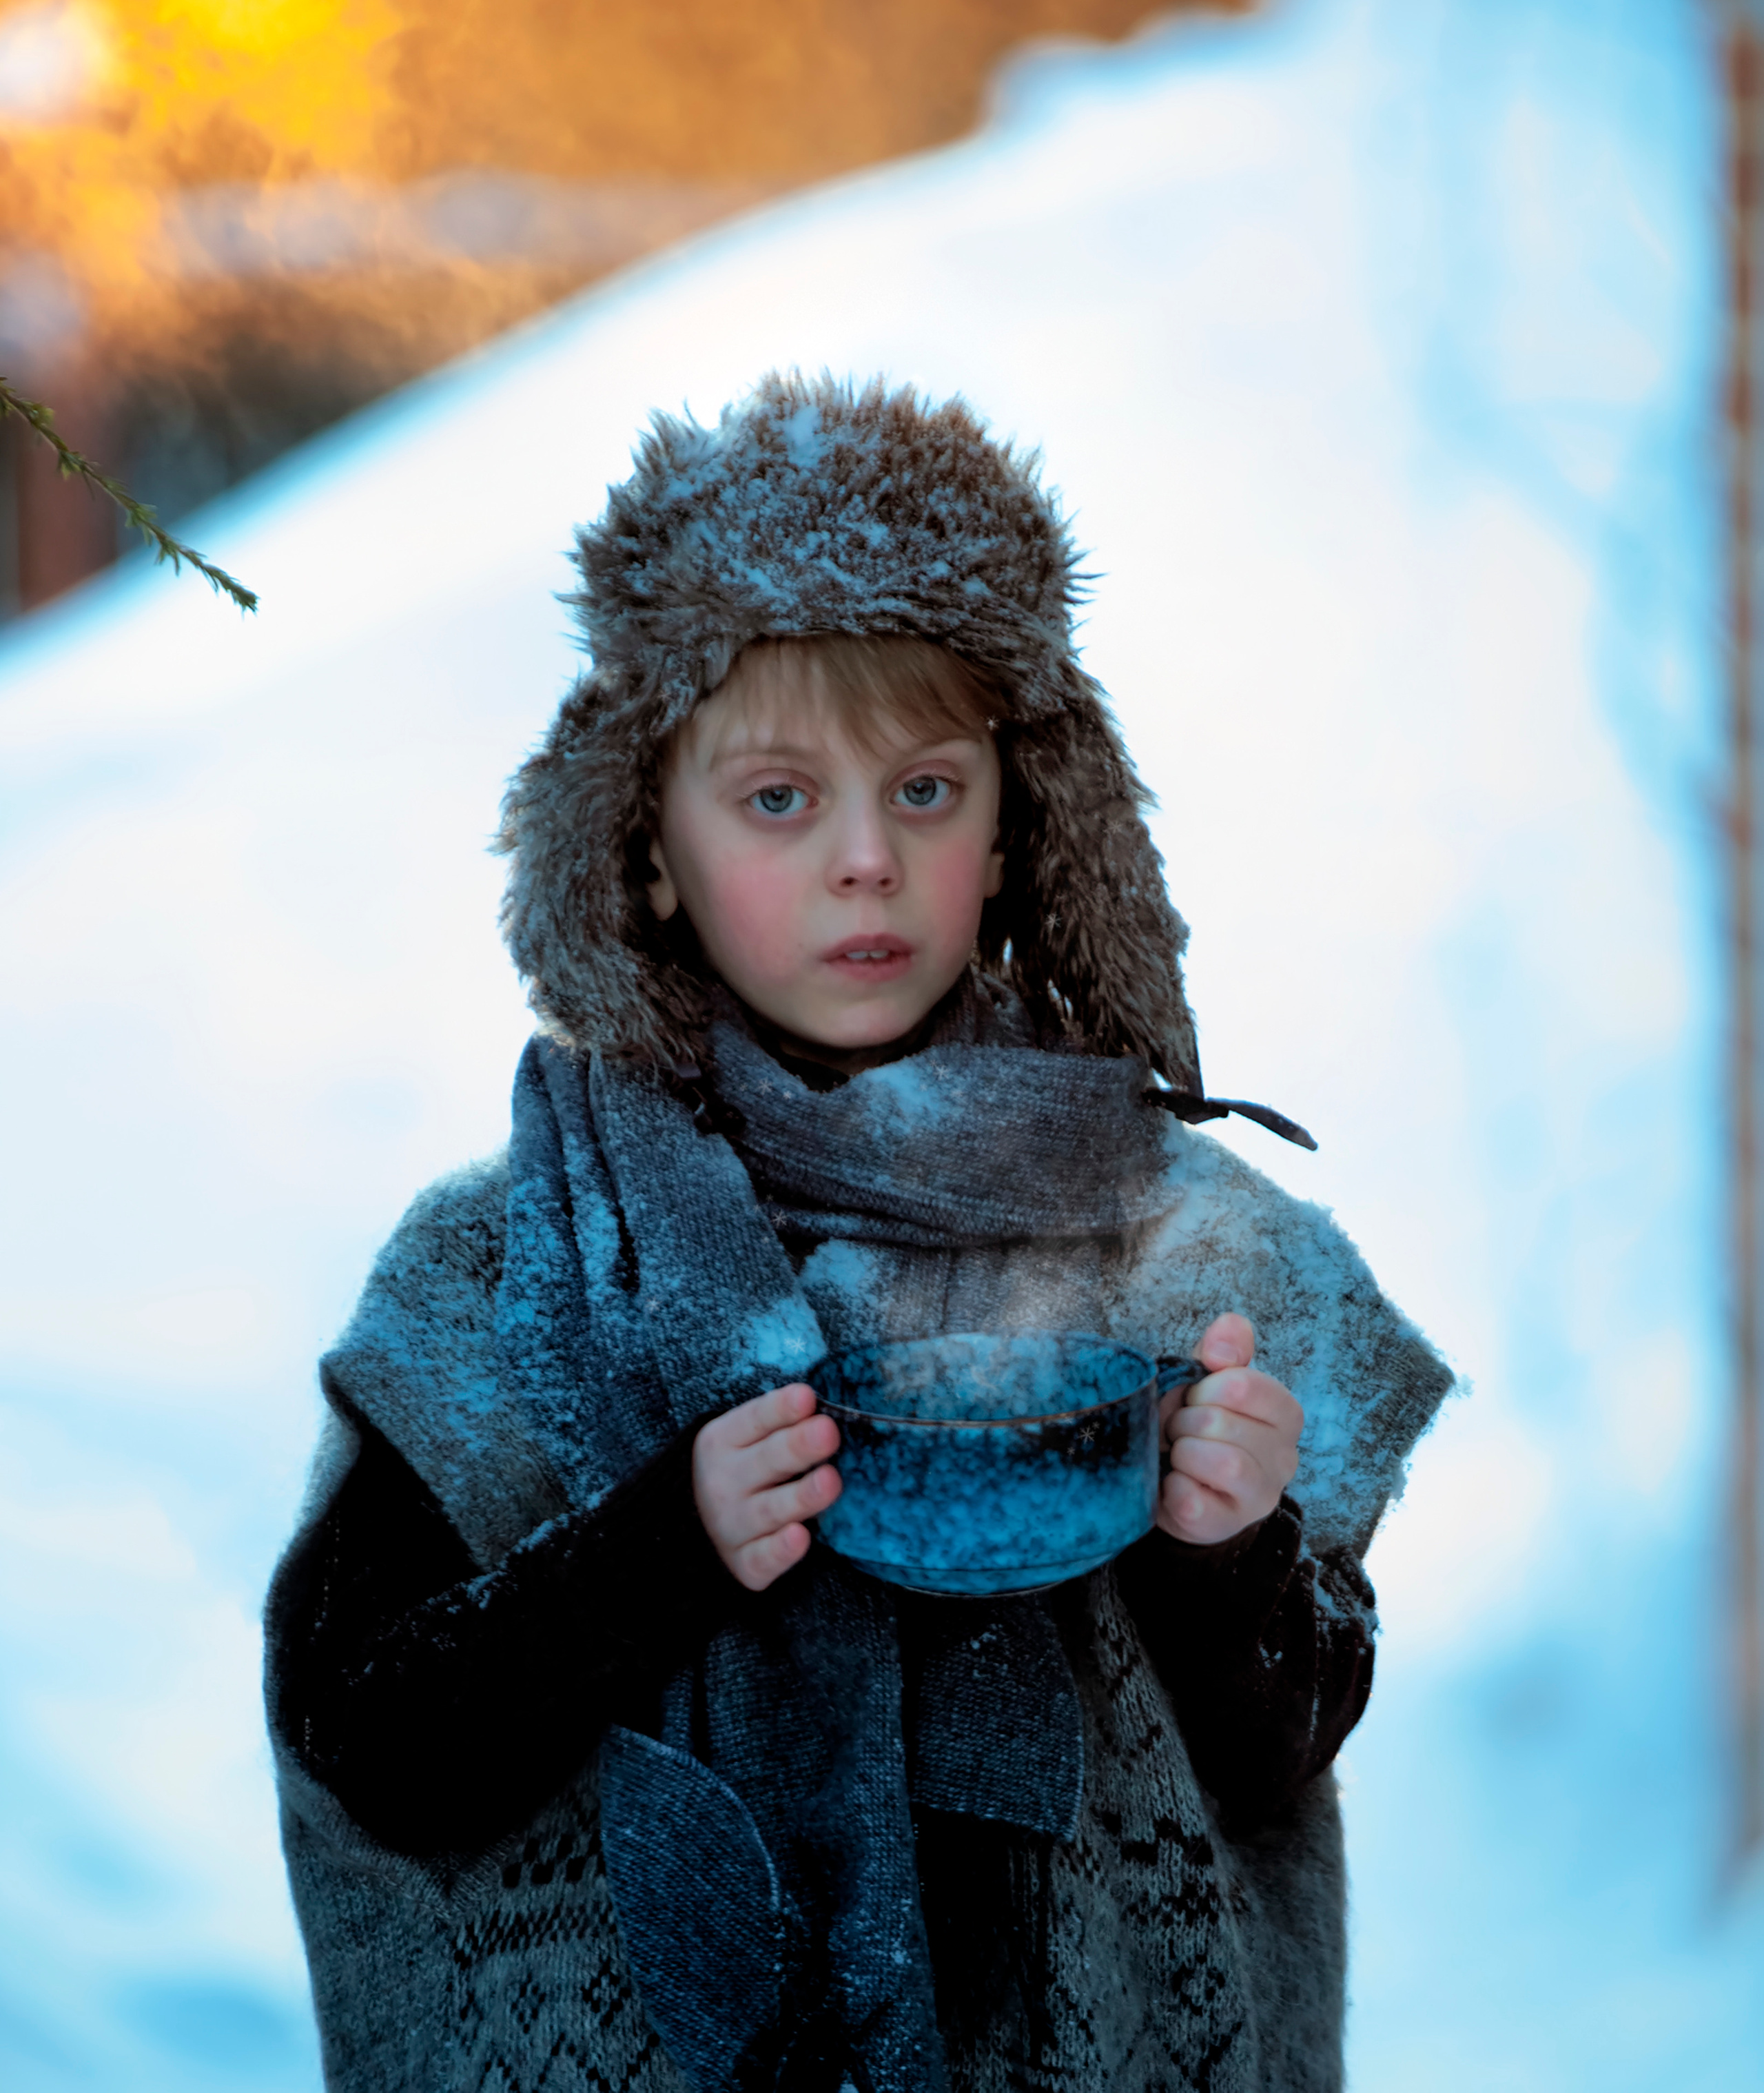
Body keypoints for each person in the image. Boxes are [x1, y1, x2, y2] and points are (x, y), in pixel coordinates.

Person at [265, 371, 1452, 2093]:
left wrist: (1224, 1546)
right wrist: (655, 1549)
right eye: (776, 799)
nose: (863, 862)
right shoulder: (505, 1267)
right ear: (644, 846)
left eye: (923, 790)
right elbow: (370, 1743)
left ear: (1015, 826)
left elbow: (1285, 1744)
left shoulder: (1181, 1250)